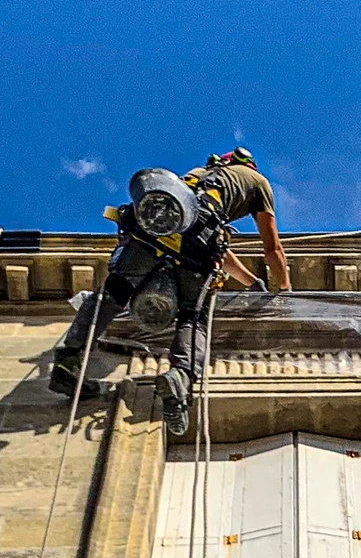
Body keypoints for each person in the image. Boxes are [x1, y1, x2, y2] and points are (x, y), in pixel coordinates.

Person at [48, 147, 291, 403]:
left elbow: (196, 231)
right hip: (197, 239)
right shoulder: (258, 181)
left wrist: (252, 283)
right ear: (250, 164)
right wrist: (284, 291)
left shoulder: (200, 175)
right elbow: (271, 248)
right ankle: (181, 375)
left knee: (115, 291)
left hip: (153, 225)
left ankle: (69, 359)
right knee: (192, 315)